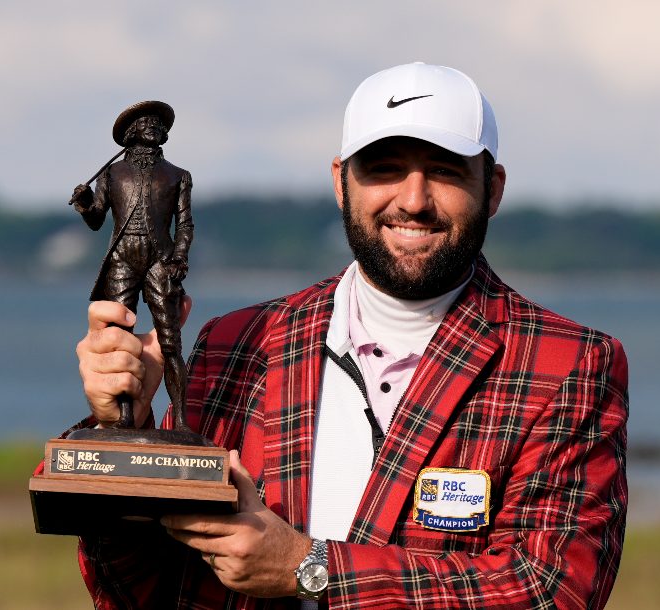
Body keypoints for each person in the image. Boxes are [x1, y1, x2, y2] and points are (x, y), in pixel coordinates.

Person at [69, 63, 629, 609]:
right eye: (384, 168)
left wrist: (311, 569)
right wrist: (125, 429)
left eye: (446, 170)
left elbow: (550, 590)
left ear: (494, 188)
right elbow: (140, 590)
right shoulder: (235, 344)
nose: (413, 199)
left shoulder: (568, 364)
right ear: (340, 181)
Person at [69, 100, 194, 431]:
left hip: (160, 261)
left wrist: (179, 257)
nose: (153, 126)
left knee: (171, 343)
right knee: (118, 337)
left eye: (158, 123)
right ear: (130, 134)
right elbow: (97, 219)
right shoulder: (112, 174)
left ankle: (181, 419)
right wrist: (84, 203)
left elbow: (185, 224)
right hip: (123, 258)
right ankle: (123, 416)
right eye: (145, 122)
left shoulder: (178, 176)